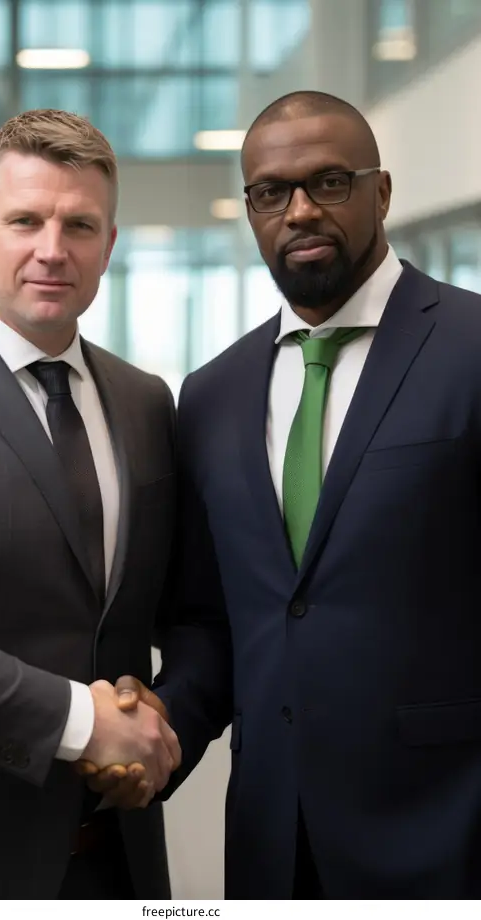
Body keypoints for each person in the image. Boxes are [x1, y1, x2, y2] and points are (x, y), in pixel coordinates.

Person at [85, 90, 481, 898]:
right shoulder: (212, 394)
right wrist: (160, 729)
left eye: (329, 182)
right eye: (271, 192)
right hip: (273, 843)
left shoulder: (472, 349)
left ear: (382, 192)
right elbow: (215, 623)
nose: (299, 210)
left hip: (451, 832)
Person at [0, 108, 181, 899]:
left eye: (80, 224)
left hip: (116, 853)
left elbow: (185, 612)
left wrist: (153, 729)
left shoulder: (146, 401)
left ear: (109, 245)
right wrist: (83, 723)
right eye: (27, 220)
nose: (53, 249)